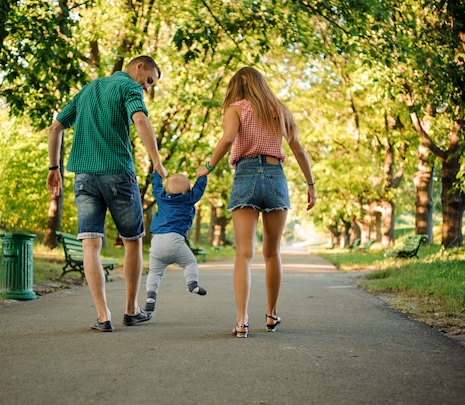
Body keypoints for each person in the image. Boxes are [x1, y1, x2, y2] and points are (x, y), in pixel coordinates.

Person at [46, 55, 167, 333]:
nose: (147, 87)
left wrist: (54, 167)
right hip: (117, 173)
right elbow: (139, 120)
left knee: (90, 245)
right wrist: (156, 160)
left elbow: (56, 127)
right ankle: (131, 310)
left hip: (85, 177)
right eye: (149, 80)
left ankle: (103, 316)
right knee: (133, 240)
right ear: (139, 67)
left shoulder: (88, 90)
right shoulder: (129, 88)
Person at [197, 67, 316, 338]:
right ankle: (271, 315)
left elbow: (228, 139)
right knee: (272, 253)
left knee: (244, 254)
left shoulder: (236, 109)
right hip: (275, 176)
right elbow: (297, 147)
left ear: (236, 87)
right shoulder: (280, 109)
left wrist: (208, 166)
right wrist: (311, 184)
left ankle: (242, 321)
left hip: (246, 175)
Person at [143, 171, 208, 315]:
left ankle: (150, 298)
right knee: (190, 263)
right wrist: (202, 176)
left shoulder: (162, 198)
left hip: (157, 243)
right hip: (175, 241)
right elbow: (199, 189)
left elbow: (156, 186)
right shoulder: (189, 199)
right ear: (187, 191)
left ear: (166, 190)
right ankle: (192, 283)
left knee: (154, 272)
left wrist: (156, 175)